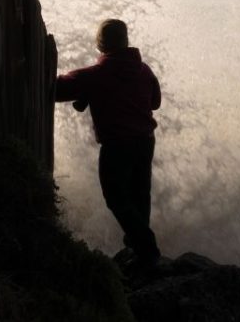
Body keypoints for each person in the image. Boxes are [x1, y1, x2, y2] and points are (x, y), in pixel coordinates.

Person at [54, 18, 162, 269]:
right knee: (139, 194)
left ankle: (146, 248)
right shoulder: (144, 70)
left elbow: (57, 90)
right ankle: (140, 250)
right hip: (145, 141)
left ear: (101, 44)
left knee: (116, 196)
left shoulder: (96, 75)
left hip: (117, 145)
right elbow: (155, 102)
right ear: (125, 41)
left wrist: (88, 92)